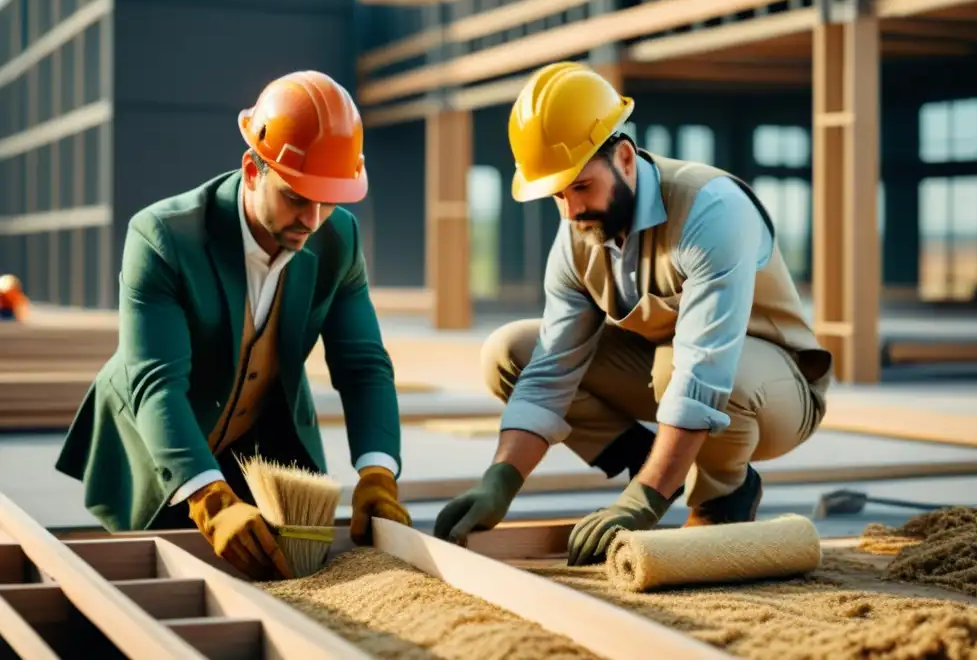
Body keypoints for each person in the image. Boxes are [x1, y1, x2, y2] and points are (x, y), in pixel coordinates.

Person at [433, 62, 833, 565]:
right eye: (558, 195)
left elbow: (703, 371)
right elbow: (550, 369)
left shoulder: (710, 209)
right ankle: (659, 464)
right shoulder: (578, 238)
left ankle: (719, 497)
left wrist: (643, 503)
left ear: (624, 158)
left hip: (776, 391)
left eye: (581, 187)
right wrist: (500, 481)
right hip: (675, 377)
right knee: (509, 353)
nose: (572, 211)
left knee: (680, 371)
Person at [56, 70, 412, 581]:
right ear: (252, 169)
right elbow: (157, 384)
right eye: (296, 196)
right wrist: (208, 498)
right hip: (159, 450)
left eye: (328, 198)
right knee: (149, 582)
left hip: (262, 451)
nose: (313, 220)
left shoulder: (339, 239)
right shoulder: (162, 238)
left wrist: (378, 471)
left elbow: (364, 366)